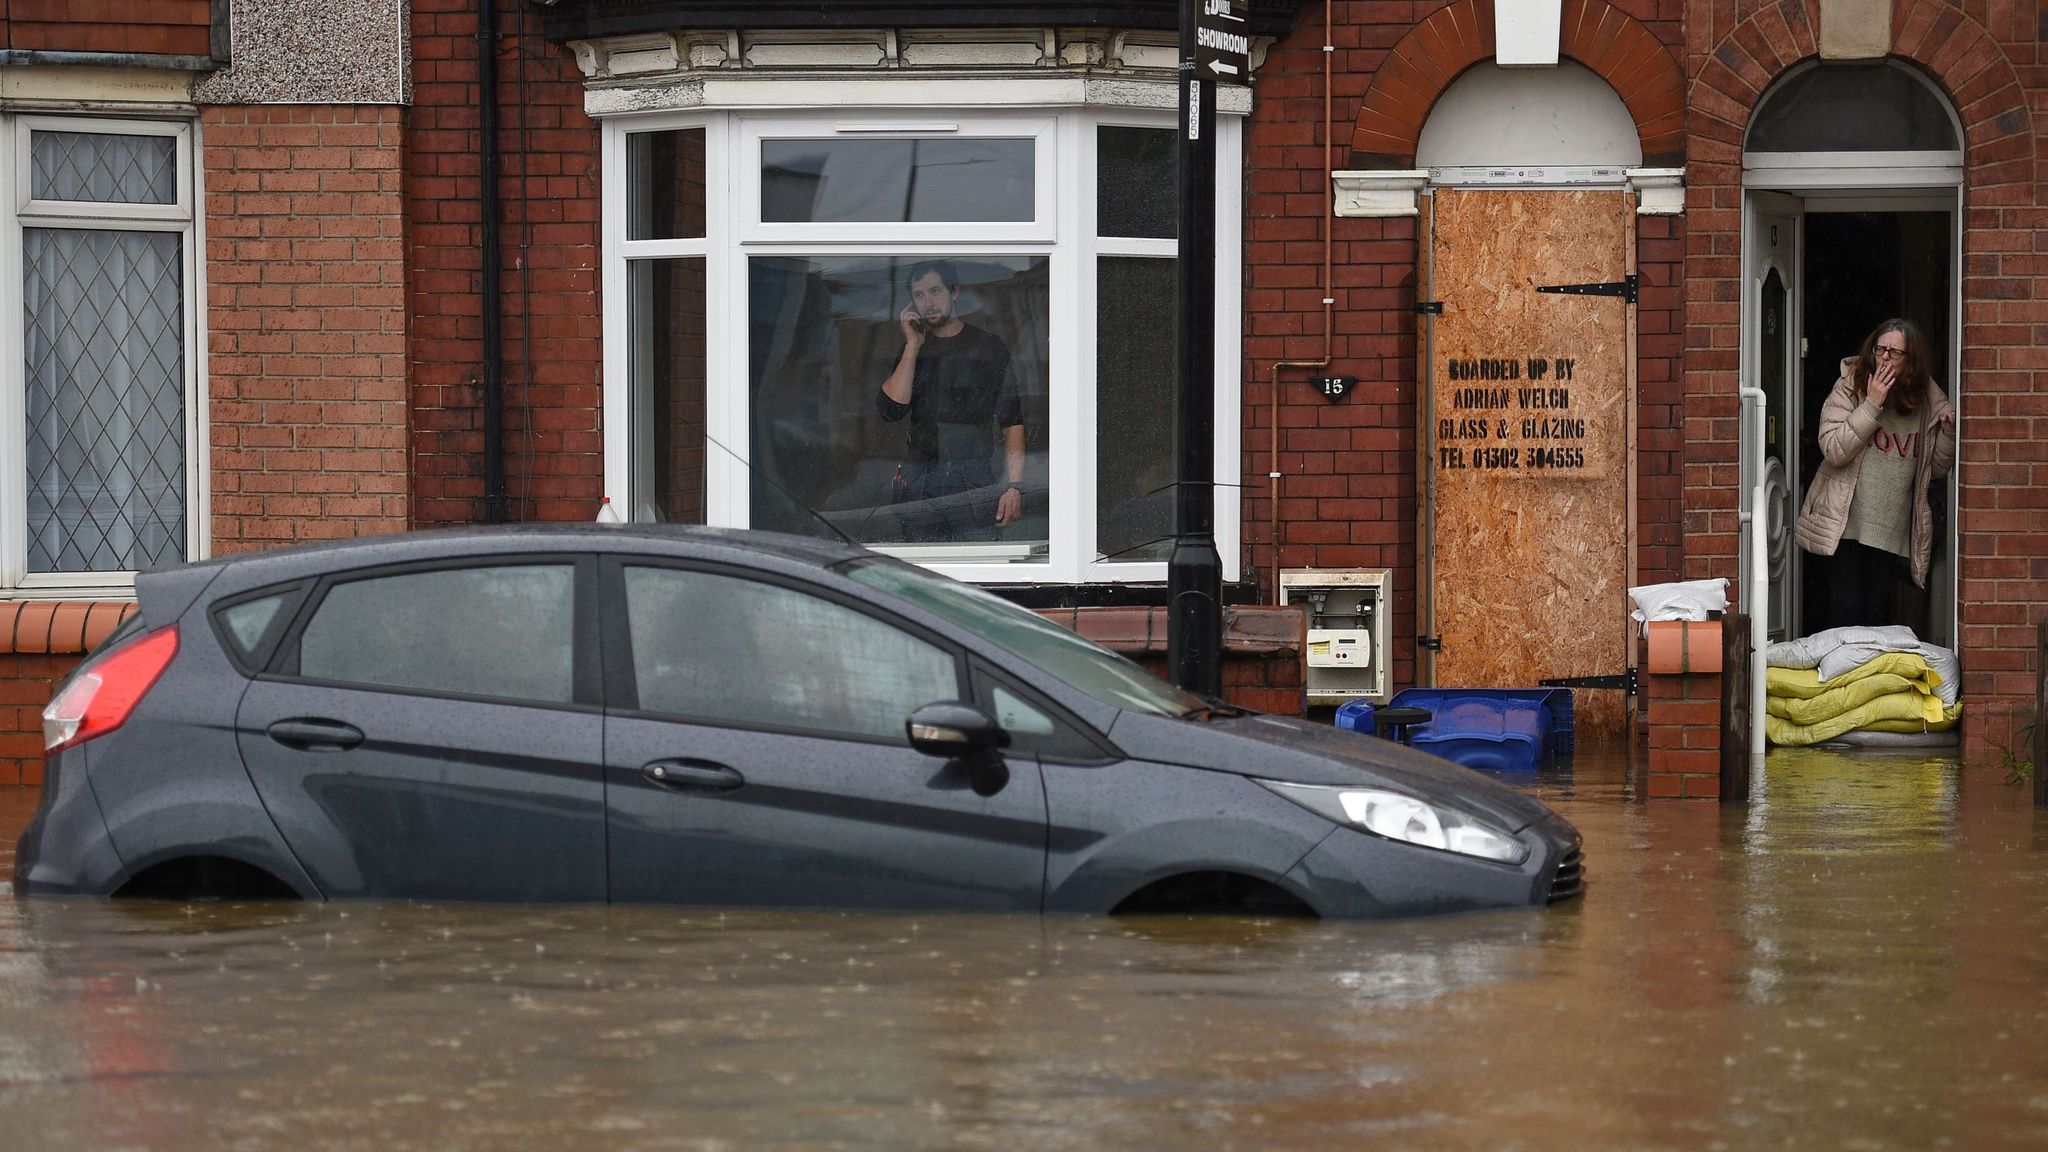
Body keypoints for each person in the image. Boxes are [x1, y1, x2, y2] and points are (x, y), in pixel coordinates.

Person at [1794, 318, 1956, 630]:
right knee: (1845, 613)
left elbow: (1934, 470)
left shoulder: (1928, 400)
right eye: (1880, 349)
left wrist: (1948, 434)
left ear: (1912, 359)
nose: (1884, 357)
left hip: (1891, 531)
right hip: (1846, 525)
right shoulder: (1850, 385)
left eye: (1895, 352)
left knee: (1878, 618)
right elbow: (1833, 448)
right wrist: (1872, 404)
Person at [876, 261, 1026, 542]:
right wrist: (912, 345)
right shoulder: (913, 349)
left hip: (971, 478)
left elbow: (1012, 421)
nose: (928, 302)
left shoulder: (987, 347)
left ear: (954, 292)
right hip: (919, 477)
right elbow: (891, 410)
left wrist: (1014, 487)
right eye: (919, 295)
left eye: (934, 291)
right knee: (923, 570)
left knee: (979, 566)